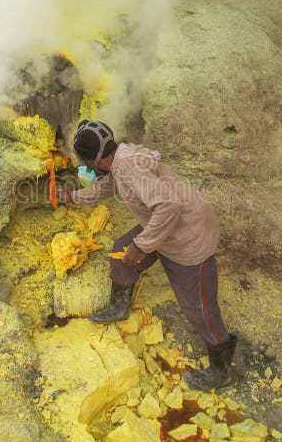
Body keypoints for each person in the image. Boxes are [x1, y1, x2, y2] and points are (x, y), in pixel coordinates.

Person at [56, 120, 238, 390]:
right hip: (163, 224)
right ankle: (120, 305)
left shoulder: (128, 168)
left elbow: (168, 205)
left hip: (188, 235)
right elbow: (107, 187)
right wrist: (72, 197)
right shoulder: (120, 160)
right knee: (121, 249)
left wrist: (141, 246)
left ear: (91, 161)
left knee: (197, 306)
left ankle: (221, 368)